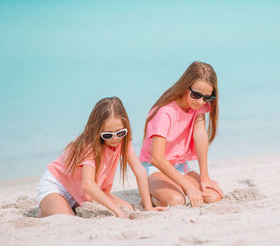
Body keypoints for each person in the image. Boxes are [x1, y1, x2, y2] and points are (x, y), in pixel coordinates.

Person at [37, 97, 166, 218]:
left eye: (120, 132)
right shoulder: (89, 144)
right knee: (65, 218)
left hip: (81, 191)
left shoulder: (123, 140)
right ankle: (46, 207)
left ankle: (73, 204)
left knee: (129, 209)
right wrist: (118, 212)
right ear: (98, 131)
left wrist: (148, 207)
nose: (115, 138)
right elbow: (88, 184)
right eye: (108, 135)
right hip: (59, 186)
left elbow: (139, 171)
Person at [140, 61, 224, 208]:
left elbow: (200, 136)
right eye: (196, 95)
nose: (200, 102)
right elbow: (156, 158)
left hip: (180, 166)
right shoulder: (164, 112)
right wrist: (188, 186)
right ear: (186, 86)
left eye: (207, 98)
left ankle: (172, 188)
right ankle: (151, 194)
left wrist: (205, 177)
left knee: (213, 196)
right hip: (155, 168)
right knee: (176, 201)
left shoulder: (199, 106)